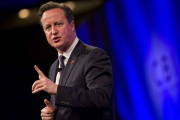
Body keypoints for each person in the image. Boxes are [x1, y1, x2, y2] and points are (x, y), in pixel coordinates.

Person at [32, 1, 114, 120]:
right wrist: (52, 113)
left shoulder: (93, 56)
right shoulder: (54, 67)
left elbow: (101, 98)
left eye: (58, 24)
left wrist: (56, 89)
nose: (53, 31)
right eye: (48, 27)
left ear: (72, 25)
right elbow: (68, 108)